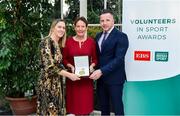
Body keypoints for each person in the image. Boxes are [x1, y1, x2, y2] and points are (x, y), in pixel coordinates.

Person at [36, 19, 80, 115]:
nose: (62, 29)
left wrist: (71, 67)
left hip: (57, 85)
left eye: (64, 28)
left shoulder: (57, 44)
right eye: (59, 27)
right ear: (53, 28)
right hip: (48, 85)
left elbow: (58, 64)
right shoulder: (46, 42)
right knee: (48, 112)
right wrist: (69, 75)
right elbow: (50, 67)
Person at [89, 9, 129, 115]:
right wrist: (93, 66)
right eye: (102, 20)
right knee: (104, 108)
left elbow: (118, 59)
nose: (104, 23)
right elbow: (98, 56)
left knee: (117, 108)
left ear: (113, 21)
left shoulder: (122, 36)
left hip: (115, 79)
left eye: (107, 20)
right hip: (101, 80)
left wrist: (101, 71)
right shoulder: (98, 36)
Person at [62, 16, 98, 115]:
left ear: (86, 28)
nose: (80, 29)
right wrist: (70, 66)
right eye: (78, 26)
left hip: (86, 80)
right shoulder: (68, 41)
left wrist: (92, 66)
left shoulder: (91, 42)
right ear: (74, 27)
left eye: (83, 26)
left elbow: (95, 59)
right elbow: (64, 59)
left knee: (85, 108)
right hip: (73, 79)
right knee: (73, 109)